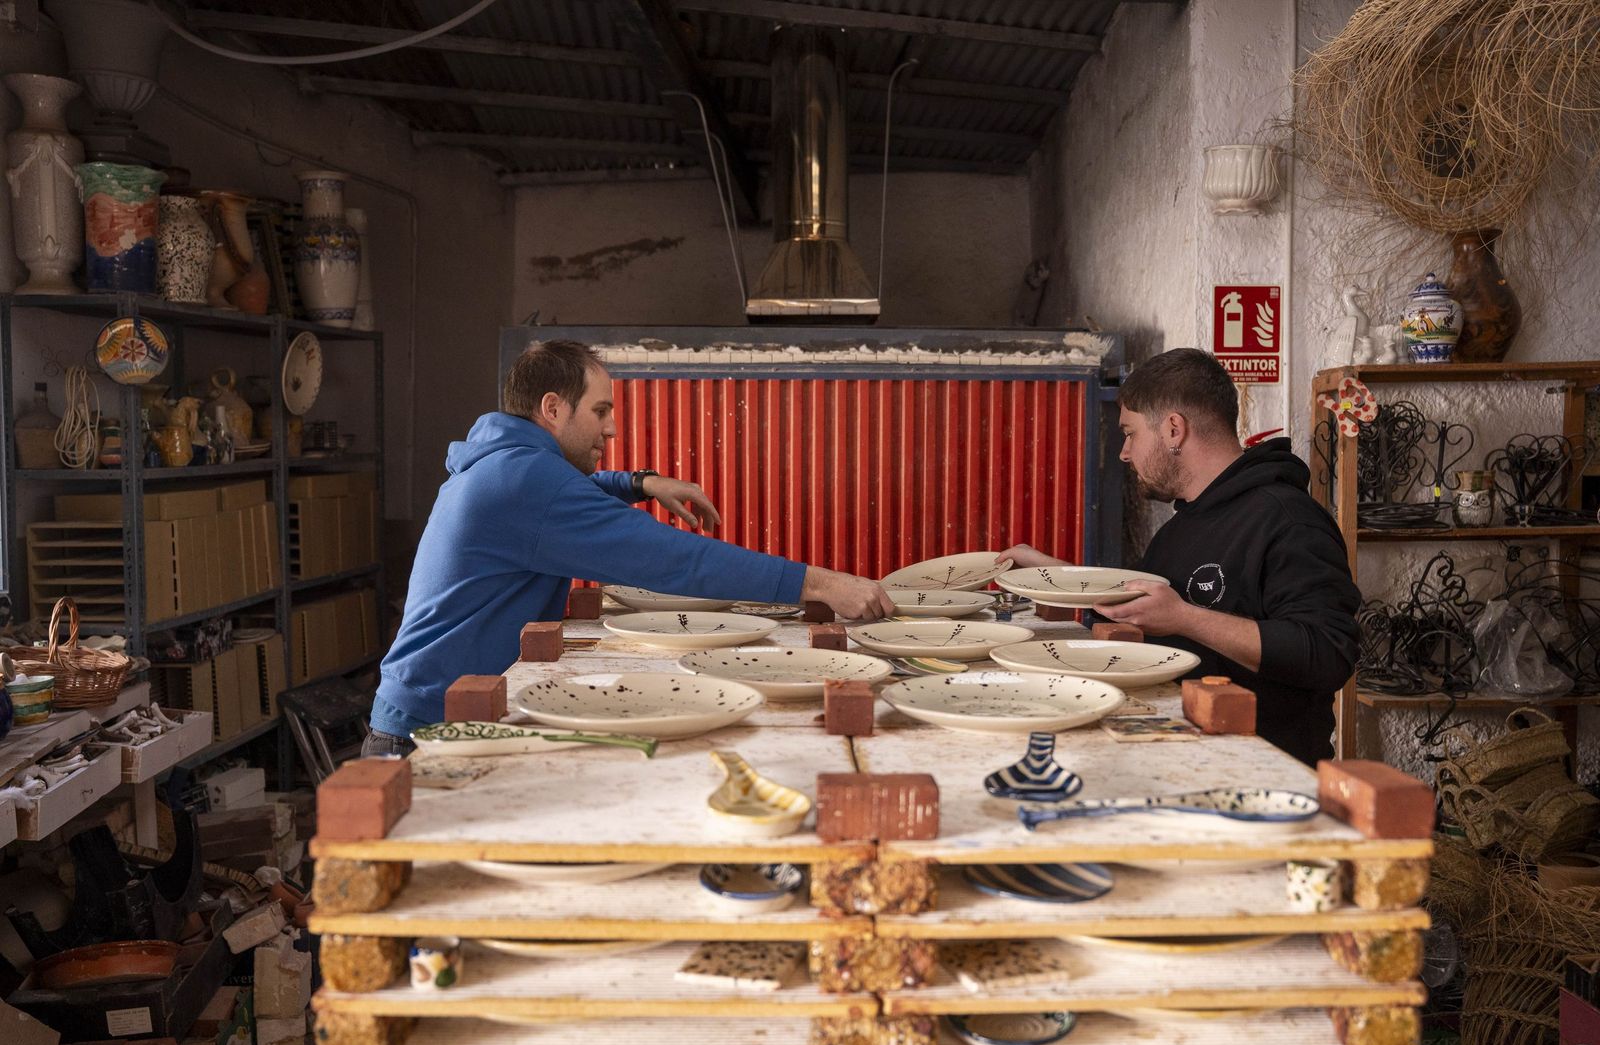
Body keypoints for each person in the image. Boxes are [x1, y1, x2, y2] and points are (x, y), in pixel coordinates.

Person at [364, 340, 894, 756]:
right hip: (424, 728)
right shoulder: (524, 483)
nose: (612, 428)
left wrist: (640, 483)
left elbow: (573, 492)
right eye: (600, 412)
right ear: (553, 408)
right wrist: (822, 583)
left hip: (433, 704)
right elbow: (676, 559)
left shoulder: (503, 463)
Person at [1000, 347, 1359, 764]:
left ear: (1173, 429)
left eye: (1131, 433)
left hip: (1262, 771)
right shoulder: (1184, 524)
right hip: (1181, 750)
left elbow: (1328, 653)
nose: (1124, 452)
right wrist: (1057, 576)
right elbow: (1145, 609)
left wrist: (1186, 618)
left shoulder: (1288, 519)